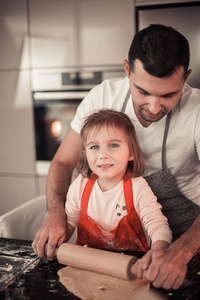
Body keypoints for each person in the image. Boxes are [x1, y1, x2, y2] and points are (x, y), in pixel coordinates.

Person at [32, 24, 200, 290]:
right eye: (142, 91)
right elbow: (63, 162)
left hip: (188, 234)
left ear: (186, 77)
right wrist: (55, 213)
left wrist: (183, 249)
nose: (154, 107)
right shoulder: (102, 96)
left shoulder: (197, 111)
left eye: (169, 94)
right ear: (127, 70)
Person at [64, 109, 172, 255]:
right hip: (88, 266)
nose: (103, 155)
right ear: (86, 154)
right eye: (94, 147)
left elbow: (159, 228)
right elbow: (69, 223)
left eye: (113, 145)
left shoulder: (137, 188)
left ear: (131, 153)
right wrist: (54, 243)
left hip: (132, 268)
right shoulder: (80, 186)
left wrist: (157, 255)